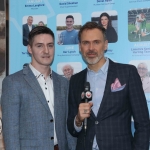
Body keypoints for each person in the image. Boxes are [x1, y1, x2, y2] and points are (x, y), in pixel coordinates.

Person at [67, 22, 150, 150]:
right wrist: (78, 120)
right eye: (86, 43)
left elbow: (143, 123)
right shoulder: (75, 80)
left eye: (96, 42)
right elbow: (72, 129)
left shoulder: (127, 73)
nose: (91, 48)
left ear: (105, 44)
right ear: (80, 47)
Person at [1, 26, 76, 150]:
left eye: (50, 45)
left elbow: (68, 128)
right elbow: (10, 132)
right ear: (30, 48)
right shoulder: (13, 82)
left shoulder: (63, 83)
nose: (46, 51)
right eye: (39, 46)